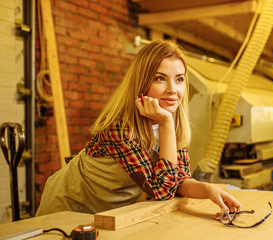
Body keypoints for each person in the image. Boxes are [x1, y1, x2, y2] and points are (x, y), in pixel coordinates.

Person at [36, 40, 242, 217]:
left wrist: (208, 189)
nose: (173, 90)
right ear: (142, 83)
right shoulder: (120, 127)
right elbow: (163, 190)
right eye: (160, 78)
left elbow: (177, 180)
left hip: (109, 211)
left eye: (179, 79)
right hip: (69, 204)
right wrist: (166, 123)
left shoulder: (171, 122)